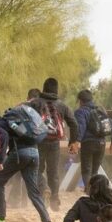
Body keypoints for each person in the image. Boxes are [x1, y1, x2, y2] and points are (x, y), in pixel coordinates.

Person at [0, 106, 57, 222]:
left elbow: (4, 138)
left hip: (20, 154)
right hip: (34, 153)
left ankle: (0, 217)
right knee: (33, 192)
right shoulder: (11, 121)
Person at [28, 78, 80, 210]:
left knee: (37, 170)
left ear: (44, 88)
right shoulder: (62, 105)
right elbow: (73, 123)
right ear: (56, 90)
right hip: (54, 143)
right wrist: (73, 141)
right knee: (53, 172)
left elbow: (23, 116)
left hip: (38, 142)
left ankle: (44, 188)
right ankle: (55, 199)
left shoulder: (35, 103)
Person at [75, 90, 112, 191]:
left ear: (80, 101)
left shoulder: (81, 111)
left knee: (86, 171)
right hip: (101, 144)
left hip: (88, 143)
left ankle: (89, 192)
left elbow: (81, 127)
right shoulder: (100, 111)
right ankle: (94, 192)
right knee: (94, 171)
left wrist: (77, 141)